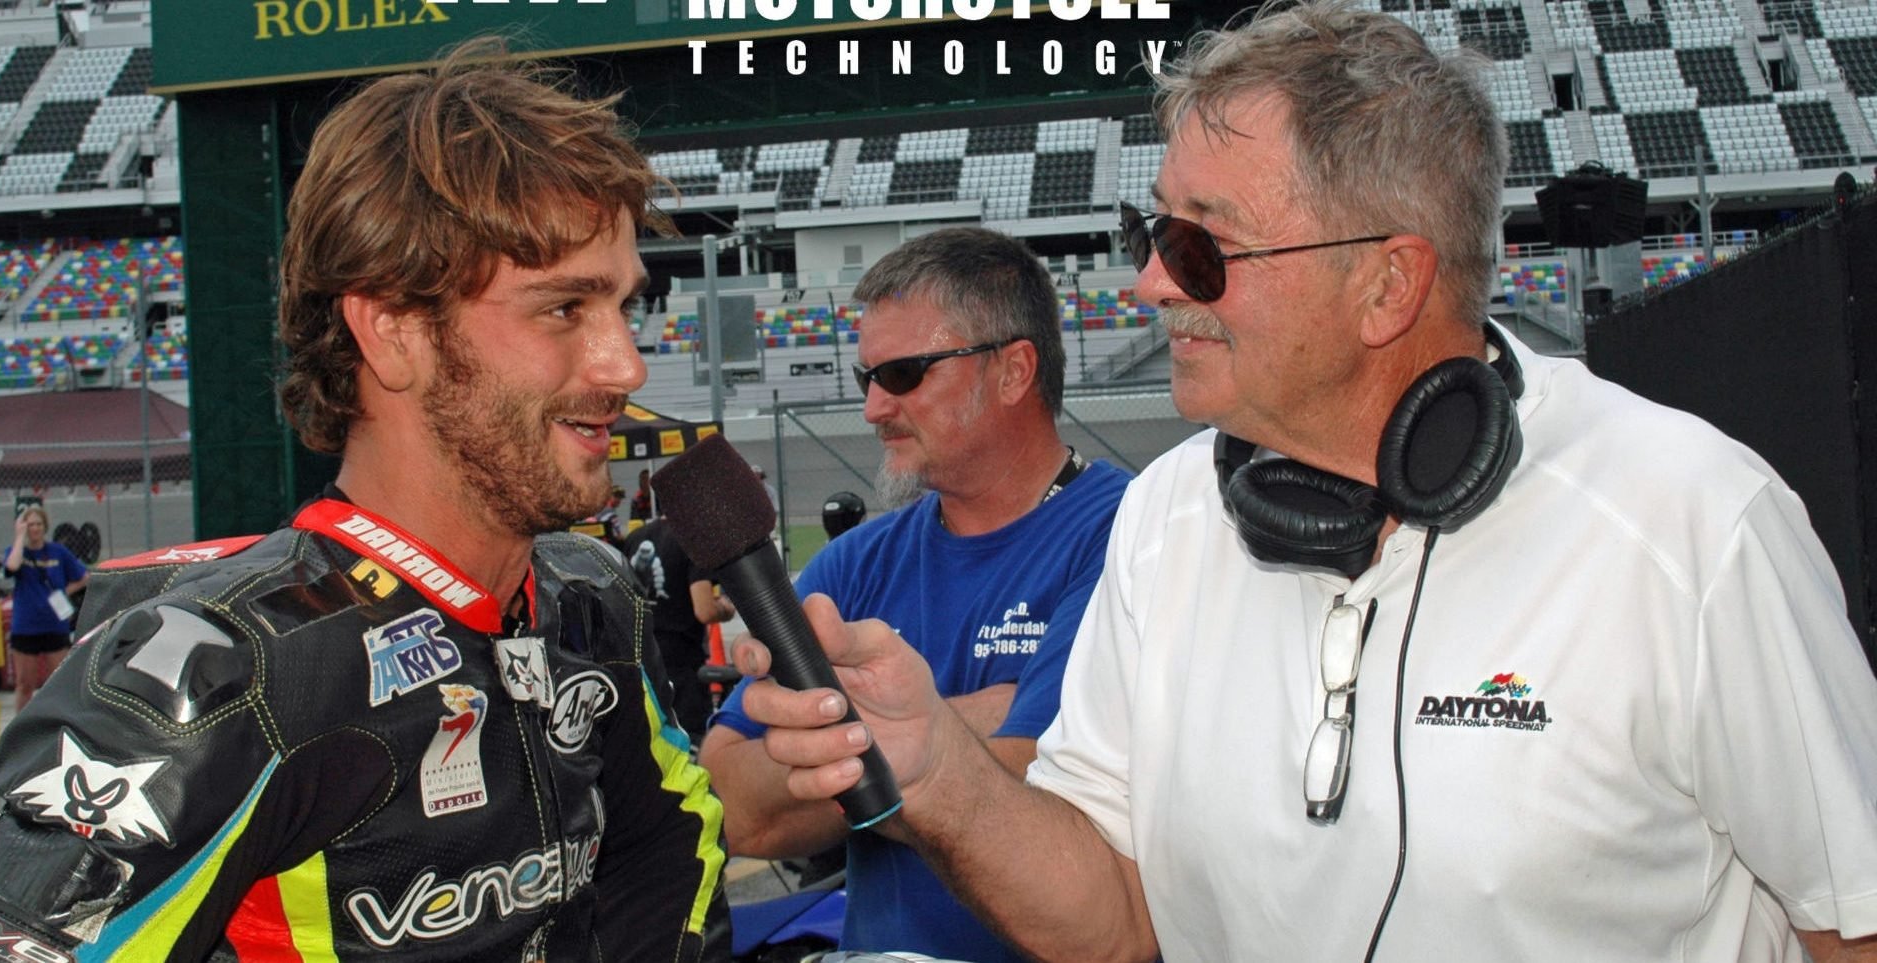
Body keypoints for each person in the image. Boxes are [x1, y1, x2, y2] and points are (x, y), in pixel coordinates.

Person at [729, 4, 1877, 962]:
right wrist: (941, 774)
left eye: (1200, 246)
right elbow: (1115, 917)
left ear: (1386, 286)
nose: (1149, 286)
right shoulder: (1166, 519)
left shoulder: (1692, 525)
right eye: (1150, 232)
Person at [0, 42, 728, 962]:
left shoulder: (590, 596)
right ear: (393, 331)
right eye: (564, 309)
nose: (627, 365)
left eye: (624, 307)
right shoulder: (218, 678)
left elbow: (673, 857)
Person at [701, 226, 1134, 962]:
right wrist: (972, 718)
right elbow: (734, 809)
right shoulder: (854, 564)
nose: (874, 407)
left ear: (1013, 371)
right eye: (866, 377)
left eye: (902, 374)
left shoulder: (1128, 535)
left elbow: (1048, 786)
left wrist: (838, 746)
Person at [624, 513, 736, 742]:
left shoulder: (636, 537)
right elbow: (704, 610)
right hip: (681, 660)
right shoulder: (693, 539)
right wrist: (725, 608)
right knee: (689, 738)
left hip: (638, 654)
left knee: (647, 737)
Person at [0, 503, 87, 709]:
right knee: (25, 684)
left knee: (59, 681)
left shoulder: (58, 552)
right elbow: (12, 566)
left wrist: (64, 591)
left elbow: (84, 577)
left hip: (54, 624)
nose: (35, 528)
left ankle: (59, 721)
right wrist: (19, 537)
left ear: (45, 526)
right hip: (26, 627)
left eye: (38, 524)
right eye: (30, 525)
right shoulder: (16, 552)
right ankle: (22, 725)